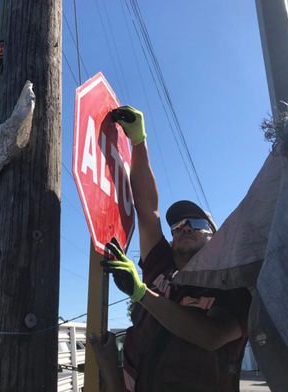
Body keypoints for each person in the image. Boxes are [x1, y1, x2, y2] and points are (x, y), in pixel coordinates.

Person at [89, 106, 252, 392]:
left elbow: (212, 336)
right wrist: (138, 142)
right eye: (177, 225)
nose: (185, 227)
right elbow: (148, 210)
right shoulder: (160, 266)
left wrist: (141, 293)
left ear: (215, 237)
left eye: (196, 223)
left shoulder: (232, 285)